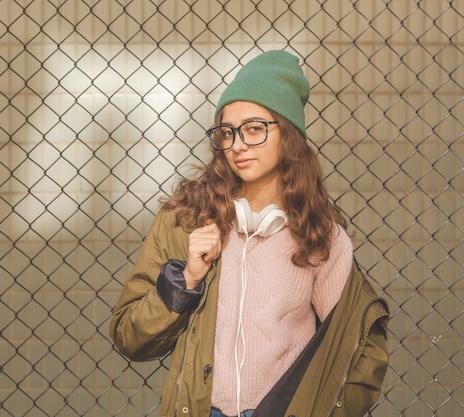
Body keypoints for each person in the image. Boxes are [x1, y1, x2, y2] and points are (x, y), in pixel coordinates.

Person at [109, 50, 389, 417]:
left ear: (288, 134)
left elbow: (358, 346)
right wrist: (186, 279)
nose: (238, 145)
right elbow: (129, 338)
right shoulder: (185, 221)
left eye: (254, 128)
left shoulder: (320, 236)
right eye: (226, 132)